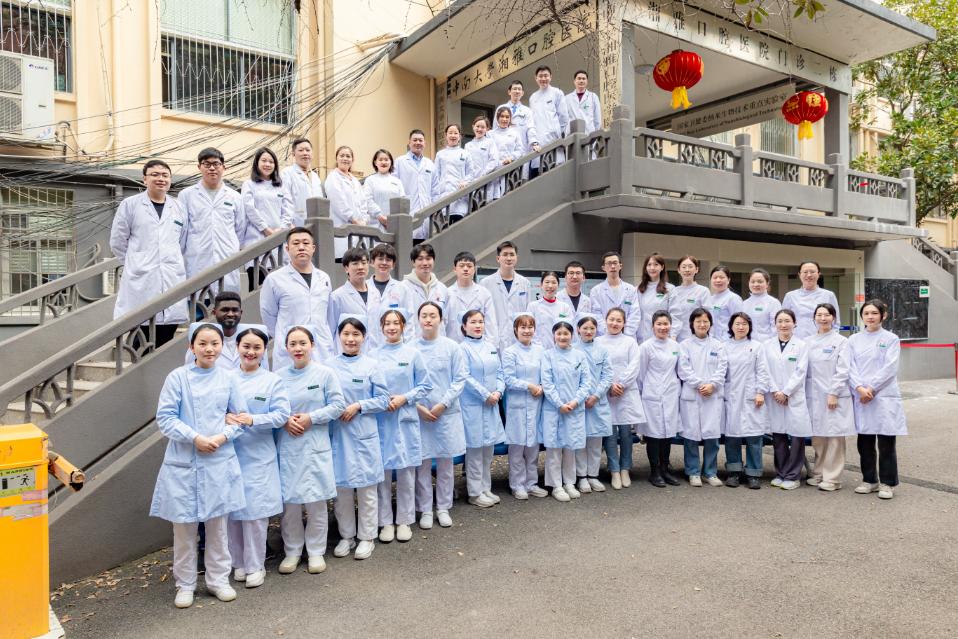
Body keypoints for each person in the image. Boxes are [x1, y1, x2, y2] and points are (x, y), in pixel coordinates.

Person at [151, 323, 248, 609]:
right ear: (191, 347)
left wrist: (221, 437)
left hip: (218, 459)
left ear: (222, 346)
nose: (209, 349)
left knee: (218, 527)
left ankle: (218, 580)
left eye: (214, 343)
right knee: (184, 531)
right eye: (202, 343)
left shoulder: (228, 378)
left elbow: (241, 418)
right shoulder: (177, 378)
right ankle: (185, 584)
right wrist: (195, 438)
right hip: (184, 461)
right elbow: (166, 418)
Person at [275, 325, 344, 576]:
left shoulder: (325, 374)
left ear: (312, 345)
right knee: (291, 503)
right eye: (292, 344)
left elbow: (338, 405)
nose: (298, 348)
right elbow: (272, 409)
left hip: (315, 443)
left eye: (302, 343)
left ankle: (315, 551)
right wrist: (285, 420)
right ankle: (292, 551)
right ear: (286, 348)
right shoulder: (278, 377)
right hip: (289, 443)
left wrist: (311, 418)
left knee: (316, 500)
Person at [226, 326, 290, 589]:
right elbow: (213, 409)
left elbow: (282, 415)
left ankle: (255, 565)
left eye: (257, 347)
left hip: (259, 454)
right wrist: (225, 418)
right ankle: (238, 563)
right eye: (246, 346)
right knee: (232, 513)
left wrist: (253, 419)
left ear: (264, 350)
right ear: (237, 348)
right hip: (230, 453)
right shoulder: (226, 378)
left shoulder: (272, 381)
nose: (251, 352)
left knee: (254, 514)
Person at [329, 315, 390, 560]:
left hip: (364, 432)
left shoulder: (371, 365)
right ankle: (347, 536)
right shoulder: (328, 366)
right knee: (342, 489)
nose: (351, 339)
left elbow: (384, 400)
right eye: (346, 334)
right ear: (339, 337)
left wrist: (359, 405)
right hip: (339, 434)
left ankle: (367, 537)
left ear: (364, 337)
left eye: (356, 334)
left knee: (367, 488)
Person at [110, 159, 187, 347]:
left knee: (166, 336)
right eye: (155, 175)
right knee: (140, 338)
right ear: (145, 179)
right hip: (141, 280)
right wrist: (136, 262)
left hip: (171, 277)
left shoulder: (178, 207)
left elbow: (182, 241)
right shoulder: (130, 205)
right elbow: (117, 242)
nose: (160, 179)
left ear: (170, 180)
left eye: (165, 175)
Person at [374, 309, 431, 543]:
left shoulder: (413, 354)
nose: (391, 327)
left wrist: (404, 398)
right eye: (387, 323)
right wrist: (383, 400)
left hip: (405, 416)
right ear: (381, 328)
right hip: (382, 418)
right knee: (383, 473)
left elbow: (425, 385)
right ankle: (386, 522)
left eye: (396, 323)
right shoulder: (373, 356)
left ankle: (405, 521)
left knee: (407, 472)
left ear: (403, 326)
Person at [414, 302, 468, 529]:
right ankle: (425, 509)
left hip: (445, 412)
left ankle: (444, 507)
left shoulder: (451, 347)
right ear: (418, 319)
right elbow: (406, 381)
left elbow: (460, 379)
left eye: (433, 315)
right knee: (423, 464)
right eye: (424, 315)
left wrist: (443, 404)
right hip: (420, 414)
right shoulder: (411, 348)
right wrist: (419, 407)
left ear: (441, 319)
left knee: (446, 463)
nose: (428, 319)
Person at [848, 299, 907, 500]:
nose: (870, 317)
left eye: (874, 313)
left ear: (883, 315)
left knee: (886, 442)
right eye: (866, 313)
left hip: (883, 395)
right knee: (864, 441)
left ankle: (888, 483)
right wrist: (859, 388)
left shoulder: (891, 339)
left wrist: (871, 389)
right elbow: (849, 366)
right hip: (861, 395)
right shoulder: (853, 340)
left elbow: (890, 368)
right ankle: (869, 480)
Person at [260, 228, 335, 368]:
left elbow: (329, 315)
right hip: (290, 352)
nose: (301, 247)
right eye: (296, 243)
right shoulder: (274, 279)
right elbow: (268, 316)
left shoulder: (324, 278)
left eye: (306, 243)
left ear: (313, 248)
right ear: (287, 249)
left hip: (321, 348)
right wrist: (285, 335)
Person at [179, 148, 246, 294]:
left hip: (227, 256)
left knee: (226, 301)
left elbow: (240, 229)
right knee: (199, 301)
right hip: (197, 258)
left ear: (224, 167)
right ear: (199, 167)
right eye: (207, 164)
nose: (212, 168)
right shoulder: (186, 195)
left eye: (216, 164)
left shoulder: (235, 196)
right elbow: (183, 230)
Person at [541, 319, 593, 501]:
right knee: (554, 449)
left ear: (572, 335)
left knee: (571, 447)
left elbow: (586, 382)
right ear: (554, 335)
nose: (562, 337)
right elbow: (547, 383)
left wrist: (575, 402)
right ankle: (556, 485)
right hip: (554, 409)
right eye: (559, 333)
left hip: (574, 408)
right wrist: (559, 404)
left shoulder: (579, 356)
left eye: (566, 334)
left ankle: (569, 482)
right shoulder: (547, 355)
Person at [458, 309, 506, 508]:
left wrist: (499, 392)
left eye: (480, 321)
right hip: (474, 405)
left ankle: (486, 488)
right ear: (464, 326)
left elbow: (500, 373)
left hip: (492, 403)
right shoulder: (462, 349)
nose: (478, 325)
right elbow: (464, 376)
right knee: (475, 451)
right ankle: (474, 492)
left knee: (488, 450)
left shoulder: (490, 347)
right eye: (473, 322)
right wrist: (486, 394)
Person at [805, 303, 855, 491]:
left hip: (834, 394)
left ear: (833, 318)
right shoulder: (807, 341)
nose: (823, 318)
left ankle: (833, 478)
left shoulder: (841, 341)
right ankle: (819, 473)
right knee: (818, 437)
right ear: (814, 318)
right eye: (819, 315)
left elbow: (843, 370)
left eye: (826, 315)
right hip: (813, 395)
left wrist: (834, 392)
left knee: (834, 436)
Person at [678, 308, 728, 487]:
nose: (702, 324)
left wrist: (712, 385)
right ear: (692, 324)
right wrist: (700, 385)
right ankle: (693, 471)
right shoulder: (684, 345)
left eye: (705, 321)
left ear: (710, 324)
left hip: (712, 395)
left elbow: (722, 368)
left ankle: (710, 472)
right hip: (692, 394)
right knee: (691, 435)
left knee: (712, 435)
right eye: (698, 321)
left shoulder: (718, 345)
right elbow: (683, 369)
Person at [762, 308, 812, 490]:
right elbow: (764, 370)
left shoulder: (802, 345)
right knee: (779, 436)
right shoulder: (767, 345)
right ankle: (781, 472)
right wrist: (776, 391)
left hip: (793, 396)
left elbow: (801, 371)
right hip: (775, 396)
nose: (783, 324)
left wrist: (786, 392)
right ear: (775, 324)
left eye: (787, 321)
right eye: (780, 321)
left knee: (797, 436)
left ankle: (793, 475)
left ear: (794, 323)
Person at [596, 307, 644, 489]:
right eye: (612, 319)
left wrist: (621, 384)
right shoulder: (598, 342)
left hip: (625, 392)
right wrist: (609, 385)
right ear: (605, 320)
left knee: (625, 433)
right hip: (606, 393)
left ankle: (625, 468)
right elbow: (596, 366)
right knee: (609, 433)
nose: (614, 323)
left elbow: (634, 365)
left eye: (619, 320)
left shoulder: (630, 342)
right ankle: (614, 469)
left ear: (624, 323)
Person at [502, 312, 548, 500]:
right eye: (523, 327)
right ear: (516, 330)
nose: (527, 331)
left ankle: (531, 483)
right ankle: (517, 484)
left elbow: (546, 373)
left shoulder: (540, 350)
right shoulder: (509, 352)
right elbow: (508, 379)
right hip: (517, 404)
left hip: (536, 403)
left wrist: (542, 386)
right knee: (517, 447)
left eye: (530, 327)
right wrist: (529, 386)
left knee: (533, 446)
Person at [723, 312, 770, 489]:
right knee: (732, 436)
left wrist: (760, 392)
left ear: (749, 327)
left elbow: (763, 371)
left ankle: (753, 473)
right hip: (731, 396)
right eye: (737, 324)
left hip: (752, 396)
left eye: (744, 324)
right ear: (731, 326)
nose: (741, 327)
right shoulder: (724, 346)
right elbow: (721, 372)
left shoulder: (757, 347)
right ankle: (734, 472)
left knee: (754, 437)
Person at [637, 311, 682, 487]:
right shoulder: (646, 347)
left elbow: (678, 370)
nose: (663, 327)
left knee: (667, 434)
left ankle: (665, 469)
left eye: (666, 324)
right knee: (654, 435)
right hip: (652, 394)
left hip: (670, 393)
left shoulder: (675, 346)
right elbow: (641, 374)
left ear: (670, 325)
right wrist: (646, 392)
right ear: (653, 326)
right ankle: (654, 472)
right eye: (659, 324)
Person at [241, 147, 293, 289]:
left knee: (280, 286)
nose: (267, 164)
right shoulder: (249, 184)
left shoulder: (281, 185)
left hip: (279, 239)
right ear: (257, 163)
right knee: (258, 286)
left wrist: (281, 229)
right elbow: (249, 209)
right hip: (257, 238)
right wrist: (265, 229)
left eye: (271, 161)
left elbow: (288, 209)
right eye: (264, 161)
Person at [574, 314, 612, 494]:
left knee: (596, 442)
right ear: (578, 329)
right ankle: (582, 477)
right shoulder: (573, 349)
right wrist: (582, 397)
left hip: (598, 402)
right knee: (580, 441)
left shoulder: (602, 350)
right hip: (579, 403)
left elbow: (607, 375)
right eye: (585, 328)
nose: (588, 331)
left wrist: (596, 396)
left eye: (592, 328)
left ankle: (593, 476)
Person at [480, 240, 532, 353]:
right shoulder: (486, 283)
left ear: (516, 258)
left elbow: (527, 313)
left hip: (518, 340)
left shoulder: (525, 283)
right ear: (498, 258)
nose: (509, 258)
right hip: (493, 341)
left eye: (512, 254)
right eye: (505, 254)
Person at [183, 292, 256, 370]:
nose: (230, 314)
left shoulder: (255, 340)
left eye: (235, 310)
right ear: (214, 313)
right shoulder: (200, 341)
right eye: (225, 310)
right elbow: (190, 372)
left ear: (241, 313)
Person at [324, 145, 370, 258]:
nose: (345, 158)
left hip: (359, 229)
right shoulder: (333, 178)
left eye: (348, 156)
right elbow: (338, 203)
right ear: (336, 158)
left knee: (360, 260)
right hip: (342, 227)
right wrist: (353, 219)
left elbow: (363, 202)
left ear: (352, 160)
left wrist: (364, 220)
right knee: (344, 259)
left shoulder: (355, 180)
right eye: (342, 156)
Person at [366, 243, 414, 350]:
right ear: (372, 262)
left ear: (393, 264)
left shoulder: (403, 289)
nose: (384, 263)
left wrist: (408, 348)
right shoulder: (364, 288)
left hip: (395, 348)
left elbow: (409, 321)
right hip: (369, 349)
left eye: (388, 260)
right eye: (380, 259)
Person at [446, 251, 498, 346]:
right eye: (462, 266)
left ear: (474, 269)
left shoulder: (484, 293)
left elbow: (491, 325)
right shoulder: (447, 294)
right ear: (455, 269)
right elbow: (442, 325)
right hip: (454, 346)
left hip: (479, 348)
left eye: (469, 266)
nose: (465, 269)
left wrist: (490, 349)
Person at [393, 129, 437, 241]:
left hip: (426, 211)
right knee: (408, 243)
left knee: (425, 245)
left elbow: (435, 189)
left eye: (420, 140)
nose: (418, 142)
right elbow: (394, 187)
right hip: (407, 211)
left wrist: (435, 208)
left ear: (424, 143)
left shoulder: (430, 164)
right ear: (409, 143)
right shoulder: (400, 162)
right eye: (415, 140)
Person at [327, 247, 372, 353]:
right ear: (346, 268)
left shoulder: (376, 293)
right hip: (347, 353)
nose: (360, 267)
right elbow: (330, 329)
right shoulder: (337, 296)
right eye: (355, 264)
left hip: (374, 353)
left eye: (364, 263)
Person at [782, 260, 840, 339]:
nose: (809, 275)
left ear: (819, 274)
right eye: (805, 272)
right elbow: (783, 320)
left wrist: (830, 340)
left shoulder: (829, 295)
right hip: (797, 341)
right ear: (799, 274)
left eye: (812, 272)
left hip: (822, 340)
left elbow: (836, 322)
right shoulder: (790, 296)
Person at [402, 243, 449, 336]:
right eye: (420, 259)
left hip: (438, 341)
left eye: (428, 258)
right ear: (413, 262)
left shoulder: (442, 288)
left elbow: (445, 320)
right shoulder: (403, 288)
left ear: (433, 261)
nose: (425, 263)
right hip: (412, 342)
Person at [589, 251, 640, 337]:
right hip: (604, 336)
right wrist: (609, 333)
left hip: (627, 337)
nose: (612, 266)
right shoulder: (596, 291)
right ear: (603, 267)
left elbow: (635, 314)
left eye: (615, 263)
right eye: (609, 263)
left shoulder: (631, 289)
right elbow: (596, 316)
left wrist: (625, 334)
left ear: (620, 266)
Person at [529, 66, 570, 169]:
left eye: (546, 76)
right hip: (538, 142)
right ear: (536, 78)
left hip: (554, 141)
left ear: (550, 77)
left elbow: (564, 118)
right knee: (539, 170)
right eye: (540, 76)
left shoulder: (557, 93)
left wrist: (558, 134)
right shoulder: (533, 97)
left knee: (555, 168)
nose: (543, 78)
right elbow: (532, 121)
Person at [432, 124, 474, 224]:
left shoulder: (465, 153)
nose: (453, 135)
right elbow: (435, 176)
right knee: (444, 227)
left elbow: (471, 173)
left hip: (460, 196)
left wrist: (465, 182)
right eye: (450, 133)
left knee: (458, 225)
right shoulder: (440, 154)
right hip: (444, 195)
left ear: (460, 136)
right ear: (446, 135)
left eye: (456, 133)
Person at [281, 137, 324, 228]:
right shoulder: (287, 173)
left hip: (316, 225)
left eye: (308, 150)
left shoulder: (316, 177)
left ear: (312, 153)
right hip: (294, 225)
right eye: (301, 150)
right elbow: (285, 201)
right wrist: (289, 224)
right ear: (293, 154)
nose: (305, 153)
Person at [487, 107, 527, 198]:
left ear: (510, 119)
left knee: (508, 196)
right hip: (494, 169)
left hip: (510, 169)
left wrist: (511, 158)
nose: (504, 119)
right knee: (493, 197)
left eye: (507, 117)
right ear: (497, 118)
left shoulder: (515, 133)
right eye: (502, 116)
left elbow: (520, 150)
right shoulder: (490, 134)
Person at [528, 271, 575, 347]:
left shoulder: (564, 307)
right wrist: (537, 346)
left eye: (554, 282)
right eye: (547, 282)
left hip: (559, 348)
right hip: (538, 348)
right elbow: (529, 329)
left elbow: (570, 329)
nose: (550, 286)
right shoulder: (533, 306)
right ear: (541, 285)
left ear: (558, 285)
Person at [363, 149, 405, 232]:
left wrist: (392, 220)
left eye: (386, 159)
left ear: (391, 162)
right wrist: (380, 216)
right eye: (380, 159)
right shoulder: (370, 180)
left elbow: (402, 201)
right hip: (375, 224)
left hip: (394, 224)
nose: (383, 162)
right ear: (375, 162)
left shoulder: (397, 182)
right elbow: (367, 200)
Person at [670, 255, 710, 342]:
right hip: (676, 339)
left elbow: (708, 317)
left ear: (696, 269)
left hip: (696, 338)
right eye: (684, 267)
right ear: (678, 270)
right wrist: (672, 335)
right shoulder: (673, 291)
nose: (687, 270)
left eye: (690, 266)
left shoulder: (703, 291)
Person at [497, 80, 539, 161]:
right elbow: (495, 129)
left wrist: (534, 143)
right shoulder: (501, 108)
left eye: (519, 89)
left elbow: (530, 129)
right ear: (509, 92)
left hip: (522, 150)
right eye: (514, 89)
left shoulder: (527, 111)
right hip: (503, 151)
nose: (517, 91)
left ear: (522, 93)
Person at [637, 253, 674, 343]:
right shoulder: (638, 289)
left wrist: (673, 335)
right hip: (643, 337)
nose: (652, 268)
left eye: (656, 264)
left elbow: (674, 314)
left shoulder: (670, 289)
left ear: (662, 267)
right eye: (649, 265)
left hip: (664, 336)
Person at [464, 115, 500, 202]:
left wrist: (483, 174)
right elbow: (466, 165)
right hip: (472, 182)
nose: (479, 129)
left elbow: (494, 161)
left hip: (486, 181)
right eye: (477, 126)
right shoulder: (468, 145)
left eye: (483, 127)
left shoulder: (490, 143)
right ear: (473, 126)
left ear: (487, 129)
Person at [741, 268, 781, 343]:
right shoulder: (744, 304)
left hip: (766, 344)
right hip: (747, 344)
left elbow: (776, 328)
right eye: (753, 282)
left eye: (760, 281)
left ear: (767, 283)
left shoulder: (774, 303)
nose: (756, 284)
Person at [705, 265, 742, 343]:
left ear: (728, 280)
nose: (718, 280)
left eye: (722, 277)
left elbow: (739, 322)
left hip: (728, 341)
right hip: (711, 341)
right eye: (715, 278)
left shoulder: (733, 298)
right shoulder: (710, 299)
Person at [564, 70, 602, 134]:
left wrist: (595, 134)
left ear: (587, 81)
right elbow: (564, 118)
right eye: (579, 78)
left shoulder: (593, 97)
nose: (581, 81)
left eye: (584, 79)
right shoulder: (566, 98)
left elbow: (597, 119)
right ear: (574, 81)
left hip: (588, 134)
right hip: (571, 134)